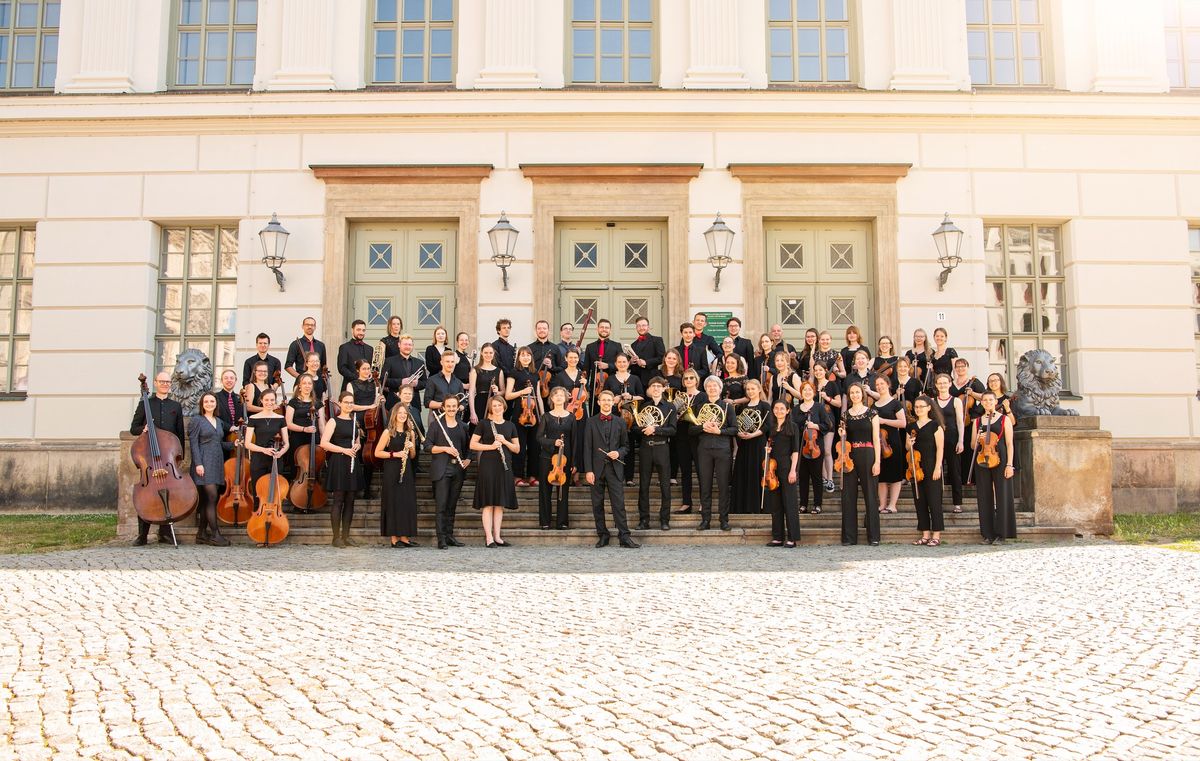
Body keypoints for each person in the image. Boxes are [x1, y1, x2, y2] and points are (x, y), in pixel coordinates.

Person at [129, 372, 184, 545]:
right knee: (146, 494)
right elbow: (133, 428)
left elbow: (179, 433)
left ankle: (165, 533)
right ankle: (142, 535)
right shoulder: (146, 403)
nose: (165, 384)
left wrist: (179, 457)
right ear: (155, 383)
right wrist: (143, 429)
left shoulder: (176, 406)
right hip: (149, 458)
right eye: (162, 381)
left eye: (167, 382)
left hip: (167, 459)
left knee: (169, 492)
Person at [584, 390, 638, 548]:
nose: (607, 402)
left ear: (613, 402)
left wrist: (618, 453)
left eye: (609, 400)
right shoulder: (590, 422)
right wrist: (588, 470)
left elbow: (626, 446)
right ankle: (603, 535)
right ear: (599, 402)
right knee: (597, 504)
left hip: (614, 469)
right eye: (604, 400)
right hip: (596, 469)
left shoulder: (621, 422)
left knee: (619, 504)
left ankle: (624, 536)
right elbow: (587, 448)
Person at [471, 395, 520, 547]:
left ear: (504, 406)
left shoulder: (510, 426)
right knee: (488, 502)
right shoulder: (484, 424)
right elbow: (473, 444)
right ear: (490, 408)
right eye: (494, 406)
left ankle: (498, 537)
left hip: (504, 466)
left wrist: (504, 441)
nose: (497, 408)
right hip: (488, 465)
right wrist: (491, 446)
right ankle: (488, 538)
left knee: (499, 503)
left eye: (499, 405)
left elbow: (517, 449)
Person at [425, 395, 470, 549]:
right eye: (448, 406)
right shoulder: (436, 425)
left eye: (454, 406)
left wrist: (468, 460)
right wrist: (444, 448)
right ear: (443, 407)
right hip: (442, 470)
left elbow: (468, 448)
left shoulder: (463, 426)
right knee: (442, 506)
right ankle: (441, 539)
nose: (451, 409)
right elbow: (427, 446)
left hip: (457, 469)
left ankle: (450, 536)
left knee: (452, 505)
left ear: (458, 408)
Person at [839, 383, 881, 546]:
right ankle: (849, 537)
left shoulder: (872, 413)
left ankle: (874, 536)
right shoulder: (845, 415)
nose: (855, 395)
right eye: (852, 393)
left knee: (870, 495)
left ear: (862, 394)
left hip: (867, 454)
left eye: (857, 392)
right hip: (850, 455)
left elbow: (876, 439)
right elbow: (844, 438)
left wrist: (877, 461)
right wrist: (842, 434)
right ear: (849, 396)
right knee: (848, 496)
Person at [971, 391, 1016, 545]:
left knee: (1003, 493)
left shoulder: (1004, 419)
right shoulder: (977, 421)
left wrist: (1010, 464)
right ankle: (987, 534)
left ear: (995, 401)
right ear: (981, 403)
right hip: (982, 457)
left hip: (1001, 457)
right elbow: (972, 446)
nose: (988, 402)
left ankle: (1002, 533)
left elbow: (1009, 444)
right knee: (984, 495)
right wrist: (977, 439)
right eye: (985, 400)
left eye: (991, 400)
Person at [320, 390, 364, 547]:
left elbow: (357, 441)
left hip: (352, 461)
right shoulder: (333, 421)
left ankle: (346, 536)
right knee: (338, 500)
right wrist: (344, 450)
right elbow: (324, 443)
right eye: (346, 402)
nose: (349, 405)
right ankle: (336, 537)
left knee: (350, 500)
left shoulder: (354, 422)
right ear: (340, 403)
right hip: (339, 461)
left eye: (351, 402)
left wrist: (358, 446)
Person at [693, 376, 737, 531]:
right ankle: (705, 520)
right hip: (704, 449)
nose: (712, 388)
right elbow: (691, 430)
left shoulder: (727, 407)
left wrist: (719, 431)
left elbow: (735, 429)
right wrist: (702, 426)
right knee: (705, 486)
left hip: (722, 449)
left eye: (715, 386)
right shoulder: (699, 407)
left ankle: (723, 520)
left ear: (720, 389)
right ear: (706, 389)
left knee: (724, 486)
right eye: (709, 386)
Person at [188, 391, 232, 546]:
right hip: (204, 463)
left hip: (217, 462)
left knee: (207, 500)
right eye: (206, 401)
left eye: (212, 401)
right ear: (202, 404)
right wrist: (198, 464)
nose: (209, 404)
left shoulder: (218, 421)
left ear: (215, 404)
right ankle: (215, 534)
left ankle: (201, 534)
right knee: (212, 497)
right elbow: (193, 444)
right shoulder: (197, 420)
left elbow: (218, 443)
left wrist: (235, 445)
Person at [376, 404, 420, 549]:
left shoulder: (410, 433)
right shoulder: (388, 432)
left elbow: (412, 456)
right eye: (399, 413)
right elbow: (377, 452)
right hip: (392, 470)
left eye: (404, 413)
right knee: (393, 502)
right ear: (394, 414)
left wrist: (411, 447)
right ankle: (394, 539)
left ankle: (405, 537)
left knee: (406, 502)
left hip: (406, 470)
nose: (402, 415)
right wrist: (394, 454)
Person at [636, 377, 677, 530]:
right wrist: (643, 429)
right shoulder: (643, 406)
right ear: (649, 389)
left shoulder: (670, 407)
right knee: (643, 486)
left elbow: (673, 430)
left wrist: (656, 429)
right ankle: (643, 520)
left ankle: (664, 520)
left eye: (659, 386)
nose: (656, 388)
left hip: (662, 448)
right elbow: (635, 427)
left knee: (665, 486)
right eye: (653, 386)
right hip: (646, 448)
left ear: (664, 388)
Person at [907, 395, 945, 547]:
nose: (918, 409)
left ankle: (936, 535)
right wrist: (909, 443)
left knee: (934, 501)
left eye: (921, 406)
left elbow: (940, 448)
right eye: (916, 407)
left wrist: (938, 467)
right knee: (919, 501)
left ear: (929, 408)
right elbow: (906, 448)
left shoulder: (935, 425)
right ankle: (925, 534)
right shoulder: (911, 427)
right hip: (916, 468)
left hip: (931, 466)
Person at [536, 387, 576, 530]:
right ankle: (545, 521)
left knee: (563, 491)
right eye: (556, 395)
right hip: (547, 458)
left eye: (561, 395)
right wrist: (553, 442)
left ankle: (562, 522)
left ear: (566, 398)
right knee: (545, 490)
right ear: (551, 399)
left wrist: (574, 462)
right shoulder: (546, 416)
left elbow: (574, 441)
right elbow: (539, 438)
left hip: (565, 459)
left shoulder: (572, 417)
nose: (559, 397)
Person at [285, 373, 325, 514]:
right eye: (304, 383)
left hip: (314, 439)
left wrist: (324, 442)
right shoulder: (293, 402)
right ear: (299, 386)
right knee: (298, 470)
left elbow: (321, 425)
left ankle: (313, 499)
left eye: (309, 383)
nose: (307, 386)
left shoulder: (318, 403)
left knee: (314, 469)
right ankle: (296, 500)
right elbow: (288, 423)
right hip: (298, 438)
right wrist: (304, 429)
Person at [764, 399, 800, 547]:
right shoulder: (771, 428)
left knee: (789, 503)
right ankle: (778, 537)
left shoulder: (792, 427)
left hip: (787, 467)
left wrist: (793, 470)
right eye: (776, 408)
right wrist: (767, 451)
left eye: (782, 408)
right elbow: (769, 446)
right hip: (773, 468)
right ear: (773, 410)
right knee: (776, 503)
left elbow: (796, 451)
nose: (779, 411)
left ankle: (792, 538)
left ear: (787, 410)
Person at [245, 388, 289, 508]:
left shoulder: (281, 419)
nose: (269, 402)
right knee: (258, 492)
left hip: (275, 458)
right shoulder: (253, 418)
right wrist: (264, 450)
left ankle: (275, 520)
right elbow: (247, 443)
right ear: (261, 400)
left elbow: (286, 443)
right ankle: (258, 520)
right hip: (259, 459)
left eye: (272, 400)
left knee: (275, 492)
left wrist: (281, 453)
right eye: (267, 400)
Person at [792, 381, 832, 515]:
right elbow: (792, 428)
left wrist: (816, 426)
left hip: (815, 447)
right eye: (804, 390)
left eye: (810, 390)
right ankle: (803, 504)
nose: (807, 392)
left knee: (816, 476)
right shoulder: (796, 409)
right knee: (803, 477)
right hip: (801, 446)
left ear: (814, 392)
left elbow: (828, 425)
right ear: (801, 393)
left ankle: (817, 504)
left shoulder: (819, 407)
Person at [344, 358, 381, 498]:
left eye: (368, 369)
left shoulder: (375, 384)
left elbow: (376, 404)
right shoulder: (351, 385)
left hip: (371, 421)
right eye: (364, 369)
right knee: (357, 455)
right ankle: (354, 487)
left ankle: (366, 488)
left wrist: (379, 401)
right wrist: (369, 407)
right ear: (358, 370)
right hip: (357, 420)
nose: (367, 371)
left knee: (369, 455)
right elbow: (350, 405)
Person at [606, 352, 645, 485]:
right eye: (619, 362)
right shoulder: (610, 379)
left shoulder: (635, 379)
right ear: (615, 364)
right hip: (614, 417)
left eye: (624, 362)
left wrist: (631, 397)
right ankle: (616, 476)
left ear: (628, 363)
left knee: (629, 448)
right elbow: (604, 398)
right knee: (614, 445)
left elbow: (642, 397)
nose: (622, 364)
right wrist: (614, 399)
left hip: (630, 419)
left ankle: (629, 478)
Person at [505, 346, 541, 487]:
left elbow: (537, 395)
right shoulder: (514, 373)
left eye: (528, 355)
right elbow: (508, 395)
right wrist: (522, 391)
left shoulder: (535, 374)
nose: (525, 357)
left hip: (533, 413)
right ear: (519, 357)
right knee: (519, 445)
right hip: (519, 412)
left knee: (534, 446)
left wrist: (542, 414)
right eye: (522, 355)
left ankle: (533, 476)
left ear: (531, 357)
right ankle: (517, 476)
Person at [732, 378, 769, 514]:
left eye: (753, 389)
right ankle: (743, 507)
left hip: (758, 444)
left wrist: (753, 435)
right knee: (744, 473)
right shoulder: (743, 407)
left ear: (759, 389)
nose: (750, 391)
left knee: (756, 473)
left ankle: (756, 507)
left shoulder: (765, 406)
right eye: (748, 389)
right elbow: (738, 424)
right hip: (745, 444)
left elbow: (767, 425)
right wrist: (740, 433)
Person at [553, 347, 590, 482]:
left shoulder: (582, 375)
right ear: (566, 359)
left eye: (576, 357)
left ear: (578, 359)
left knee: (579, 441)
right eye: (571, 357)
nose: (573, 360)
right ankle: (564, 470)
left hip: (580, 413)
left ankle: (576, 474)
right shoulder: (560, 376)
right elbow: (554, 392)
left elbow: (587, 395)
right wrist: (563, 394)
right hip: (565, 411)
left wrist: (585, 385)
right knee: (567, 441)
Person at [874, 374, 907, 515]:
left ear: (888, 385)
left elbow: (903, 423)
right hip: (878, 444)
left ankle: (892, 505)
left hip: (892, 442)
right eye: (877, 385)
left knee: (894, 475)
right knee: (881, 477)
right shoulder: (873, 405)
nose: (880, 387)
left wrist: (884, 421)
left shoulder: (895, 403)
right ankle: (882, 504)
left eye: (882, 384)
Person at [934, 373, 967, 515]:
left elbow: (960, 422)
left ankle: (958, 503)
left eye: (944, 383)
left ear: (949, 384)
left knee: (955, 471)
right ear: (936, 385)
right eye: (939, 383)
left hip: (952, 438)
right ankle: (936, 503)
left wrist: (961, 440)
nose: (942, 385)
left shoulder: (956, 401)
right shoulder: (932, 401)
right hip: (935, 440)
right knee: (936, 471)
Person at [672, 368, 702, 514]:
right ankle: (686, 503)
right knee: (685, 471)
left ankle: (704, 502)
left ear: (696, 380)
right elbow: (673, 415)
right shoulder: (679, 397)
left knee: (702, 471)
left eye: (691, 378)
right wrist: (676, 417)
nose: (688, 380)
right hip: (682, 436)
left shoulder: (703, 396)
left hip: (698, 437)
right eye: (686, 378)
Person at [381, 335, 426, 424]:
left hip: (414, 404)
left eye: (410, 345)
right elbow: (383, 380)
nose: (407, 347)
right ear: (399, 345)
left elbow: (425, 383)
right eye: (405, 344)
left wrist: (417, 384)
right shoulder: (389, 361)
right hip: (394, 402)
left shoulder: (419, 363)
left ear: (412, 346)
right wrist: (400, 382)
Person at [813, 361, 842, 493]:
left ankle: (830, 478)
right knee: (819, 451)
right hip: (815, 422)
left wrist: (827, 398)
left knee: (827, 451)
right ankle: (823, 477)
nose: (818, 372)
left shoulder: (832, 385)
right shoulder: (812, 386)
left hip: (828, 421)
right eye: (816, 370)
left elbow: (839, 403)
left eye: (820, 370)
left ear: (825, 370)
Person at [583, 318, 622, 412]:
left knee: (612, 410)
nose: (604, 329)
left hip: (612, 383)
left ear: (610, 330)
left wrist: (608, 365)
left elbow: (621, 365)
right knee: (595, 410)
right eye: (602, 327)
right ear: (598, 329)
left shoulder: (617, 346)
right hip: (595, 386)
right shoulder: (590, 346)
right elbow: (586, 368)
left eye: (606, 327)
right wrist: (585, 387)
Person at [469, 343, 505, 430]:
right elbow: (471, 392)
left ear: (493, 354)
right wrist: (472, 412)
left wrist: (497, 391)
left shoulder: (499, 371)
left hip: (494, 404)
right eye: (485, 353)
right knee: (478, 430)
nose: (488, 355)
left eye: (490, 353)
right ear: (481, 353)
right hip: (479, 403)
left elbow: (503, 391)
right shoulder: (475, 370)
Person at [426, 349, 466, 423]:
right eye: (447, 361)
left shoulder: (458, 382)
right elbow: (427, 402)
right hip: (436, 419)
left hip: (455, 420)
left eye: (452, 362)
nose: (450, 364)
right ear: (441, 362)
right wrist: (445, 405)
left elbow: (463, 403)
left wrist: (458, 407)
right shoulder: (432, 380)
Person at [628, 316, 666, 390]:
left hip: (651, 379)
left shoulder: (657, 340)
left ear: (648, 327)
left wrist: (646, 362)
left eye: (643, 325)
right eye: (638, 326)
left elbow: (662, 358)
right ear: (636, 328)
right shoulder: (633, 345)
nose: (641, 328)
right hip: (636, 380)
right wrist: (631, 362)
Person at [337, 320, 372, 393]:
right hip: (350, 387)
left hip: (367, 388)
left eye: (363, 330)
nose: (361, 332)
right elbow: (342, 368)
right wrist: (358, 378)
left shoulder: (370, 349)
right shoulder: (344, 347)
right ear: (352, 330)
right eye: (358, 330)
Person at [527, 319, 565, 383]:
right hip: (534, 381)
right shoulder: (529, 348)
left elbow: (561, 367)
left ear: (548, 330)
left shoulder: (555, 347)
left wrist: (551, 366)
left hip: (551, 382)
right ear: (536, 331)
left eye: (544, 328)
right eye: (539, 328)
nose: (542, 330)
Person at [214, 368, 245, 445]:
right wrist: (229, 427)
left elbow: (243, 418)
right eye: (226, 378)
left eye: (232, 378)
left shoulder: (240, 398)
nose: (229, 380)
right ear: (222, 381)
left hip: (237, 438)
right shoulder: (215, 397)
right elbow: (214, 417)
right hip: (221, 437)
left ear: (235, 380)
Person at [906, 328, 933, 393]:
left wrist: (931, 368)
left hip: (926, 381)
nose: (919, 338)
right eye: (917, 336)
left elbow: (934, 369)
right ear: (914, 338)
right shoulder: (909, 353)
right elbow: (905, 368)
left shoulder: (930, 352)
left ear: (925, 338)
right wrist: (911, 365)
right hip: (912, 381)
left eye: (921, 336)